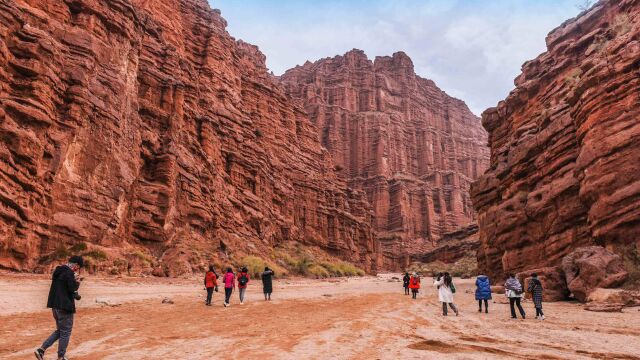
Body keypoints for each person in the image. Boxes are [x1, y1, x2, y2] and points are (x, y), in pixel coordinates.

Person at [34, 256, 84, 360]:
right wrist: (78, 281)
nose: (77, 269)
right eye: (78, 267)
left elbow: (64, 287)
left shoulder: (58, 271)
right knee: (66, 332)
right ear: (76, 265)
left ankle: (41, 350)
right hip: (64, 307)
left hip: (55, 306)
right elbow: (72, 288)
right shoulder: (69, 273)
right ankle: (61, 357)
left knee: (60, 331)